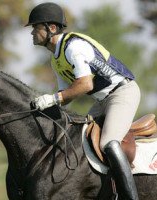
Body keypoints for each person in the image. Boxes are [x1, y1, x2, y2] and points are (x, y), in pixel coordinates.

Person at [25, 2, 140, 200]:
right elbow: (66, 95)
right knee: (76, 140)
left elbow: (85, 84)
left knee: (109, 144)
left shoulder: (73, 47)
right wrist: (42, 106)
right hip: (102, 101)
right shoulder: (56, 59)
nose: (32, 32)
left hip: (123, 93)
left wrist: (54, 98)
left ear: (51, 28)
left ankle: (130, 196)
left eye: (35, 27)